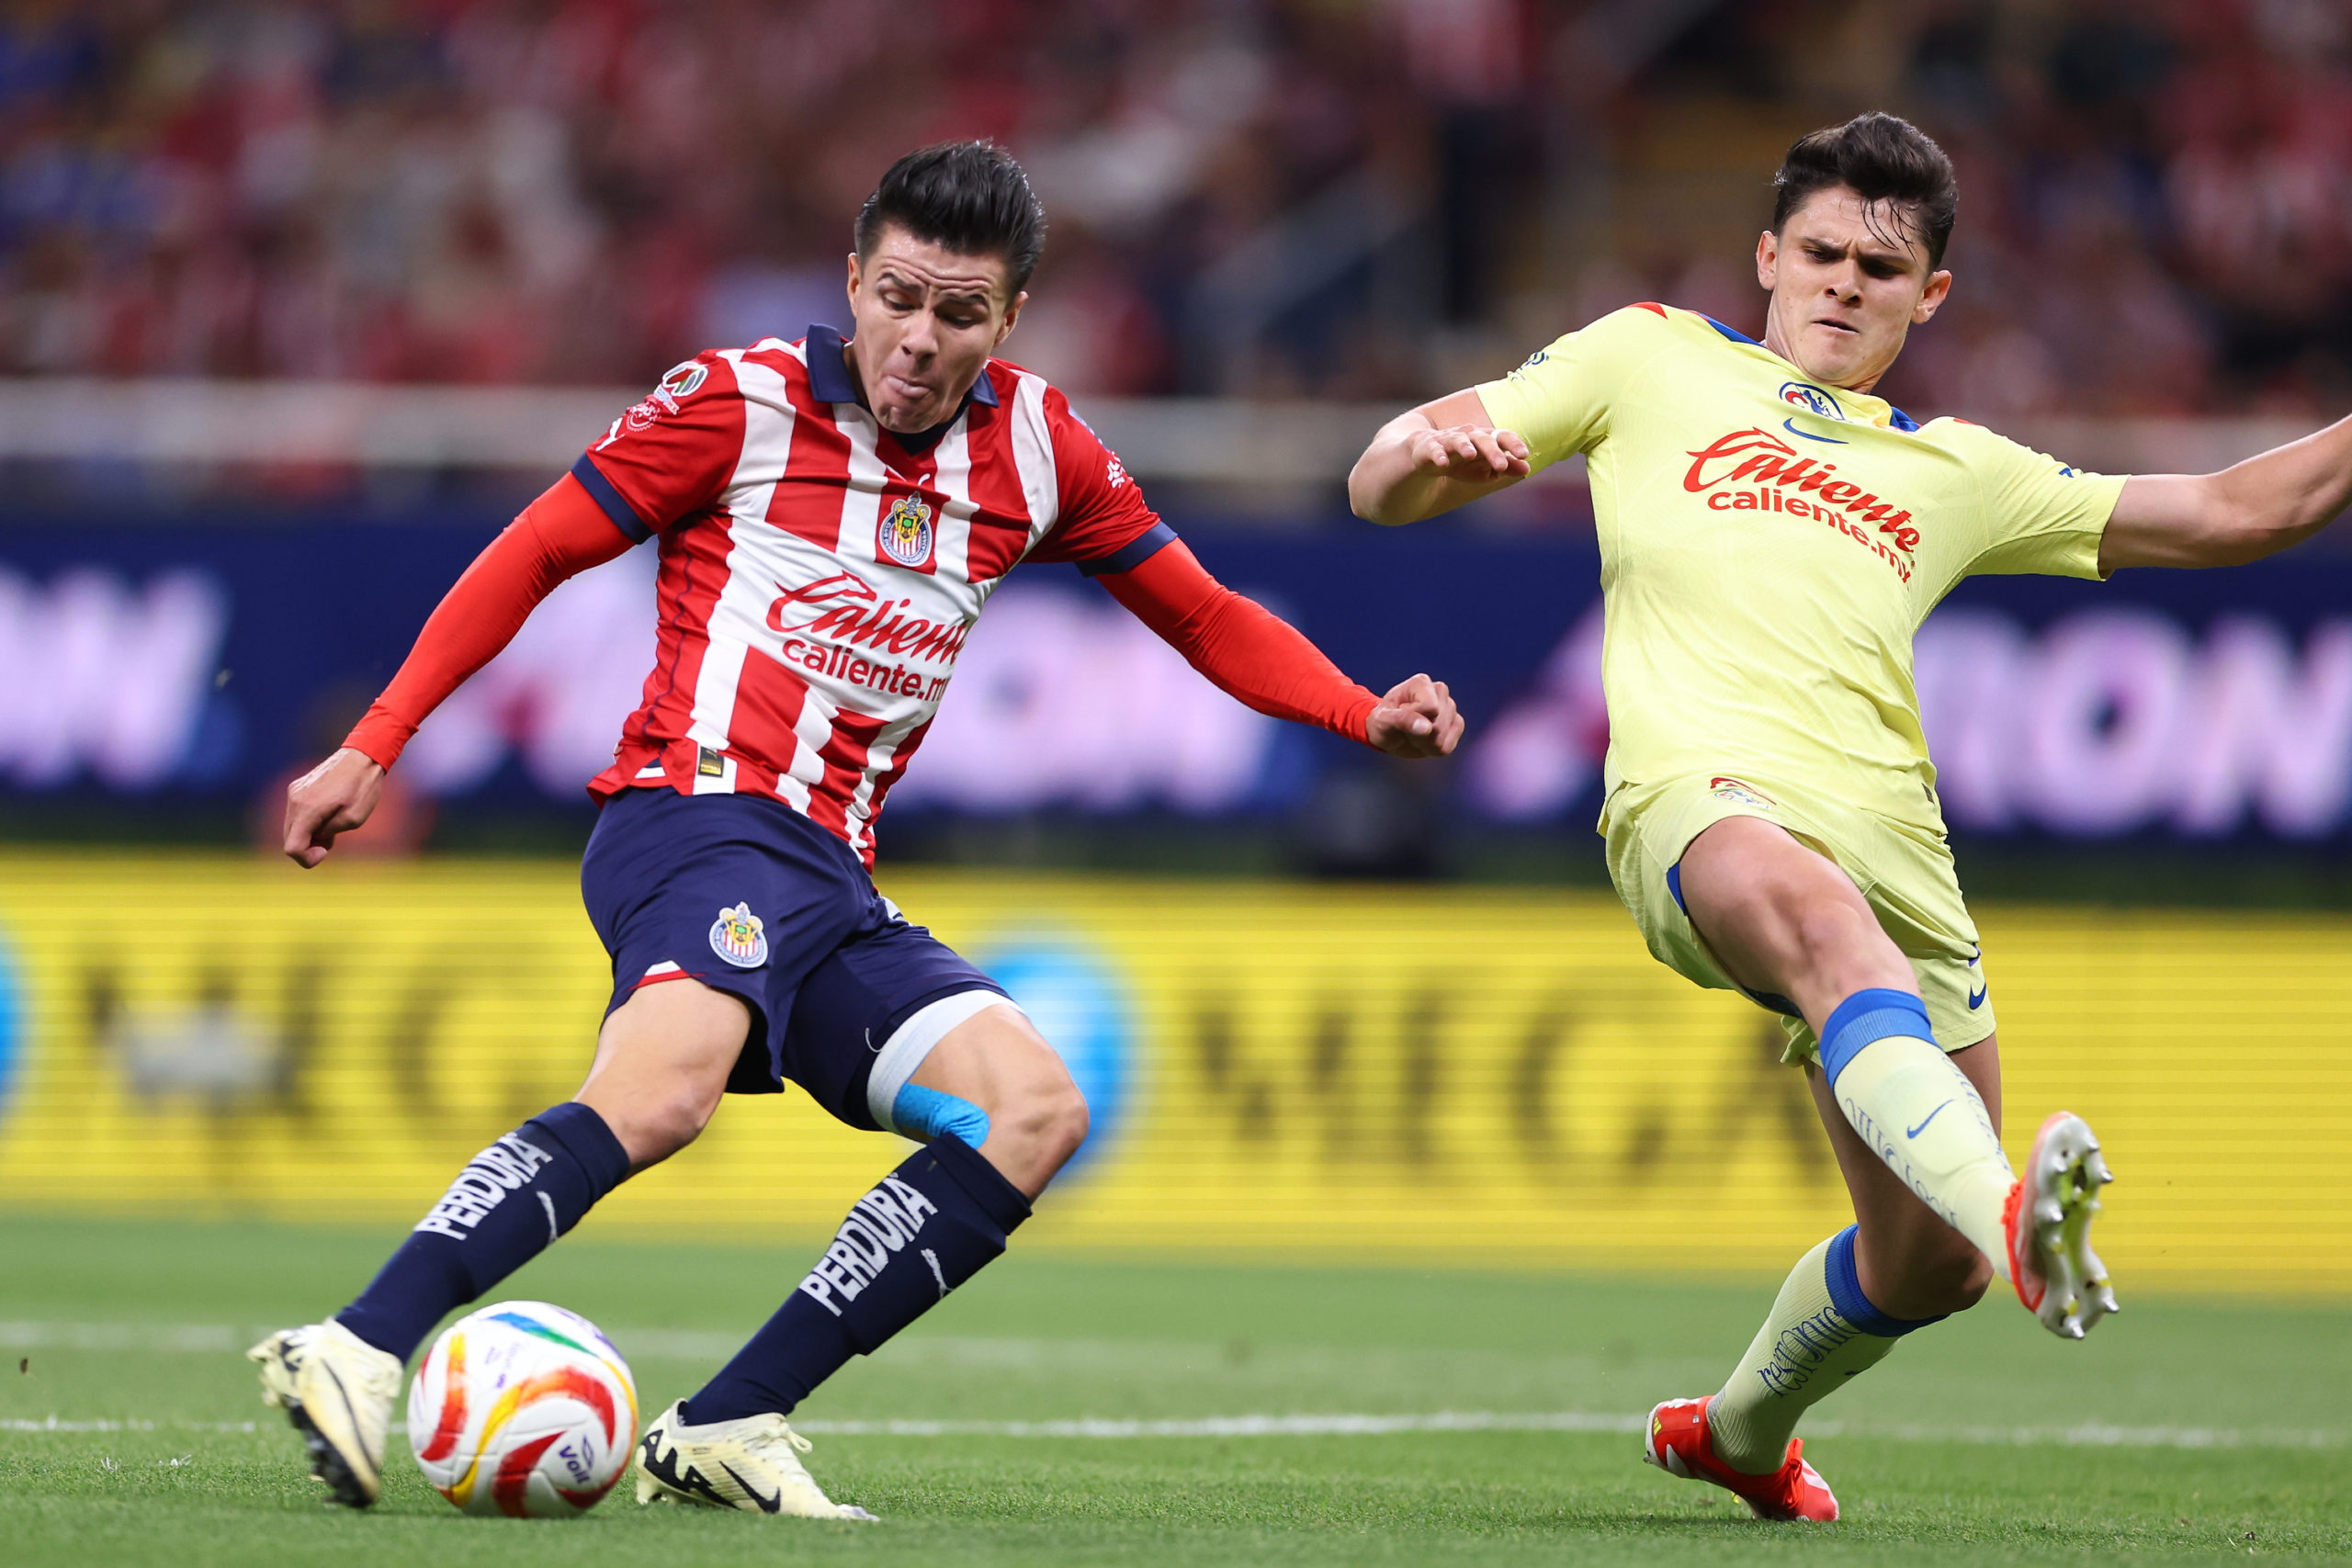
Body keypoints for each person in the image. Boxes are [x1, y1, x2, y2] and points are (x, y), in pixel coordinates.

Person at [252, 140, 1463, 1520]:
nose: (919, 338)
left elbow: (1201, 613)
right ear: (852, 283)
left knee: (1034, 1113)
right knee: (661, 1094)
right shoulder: (741, 401)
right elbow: (534, 549)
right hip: (696, 812)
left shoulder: (1039, 446)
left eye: (959, 313)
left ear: (1008, 322)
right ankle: (354, 1342)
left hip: (832, 875)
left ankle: (731, 1421)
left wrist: (1362, 715)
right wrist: (374, 742)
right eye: (897, 297)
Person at [1349, 110, 2349, 1522]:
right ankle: (2017, 1211)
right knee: (1828, 940)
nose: (1840, 283)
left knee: (1921, 1266)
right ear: (1765, 254)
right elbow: (1381, 481)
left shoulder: (1962, 472)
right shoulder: (1651, 356)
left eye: (1880, 271)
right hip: (1696, 805)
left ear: (1929, 295)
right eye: (1817, 252)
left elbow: (2248, 510)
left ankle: (1740, 1433)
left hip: (1897, 852)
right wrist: (1425, 455)